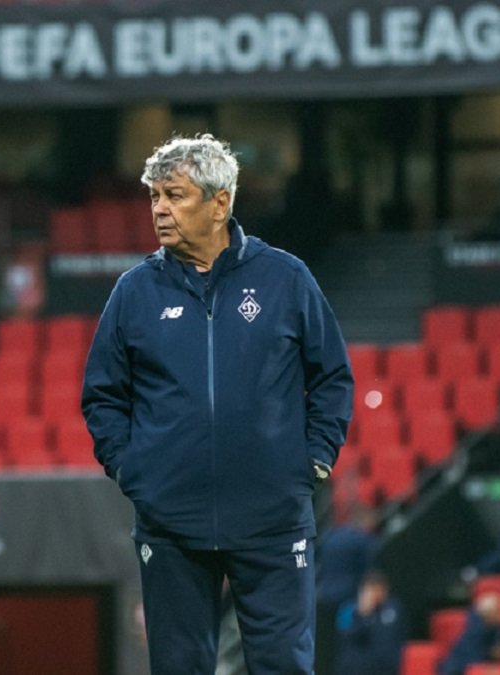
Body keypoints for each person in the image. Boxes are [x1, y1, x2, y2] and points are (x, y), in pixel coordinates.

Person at [81, 133, 354, 674]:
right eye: (155, 196)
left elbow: (332, 377)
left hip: (273, 518)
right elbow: (103, 394)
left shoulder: (285, 279)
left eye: (175, 195)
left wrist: (314, 459)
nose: (160, 209)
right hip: (170, 521)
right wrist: (133, 471)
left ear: (219, 202)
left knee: (284, 666)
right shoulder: (134, 291)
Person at [316, 506, 379, 673]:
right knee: (348, 644)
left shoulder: (330, 537)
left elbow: (321, 568)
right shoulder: (363, 540)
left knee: (329, 645)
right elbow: (369, 572)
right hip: (348, 600)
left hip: (325, 597)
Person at [333, 570, 406, 675]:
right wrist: (363, 615)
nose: (377, 595)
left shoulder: (394, 609)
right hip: (357, 669)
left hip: (387, 669)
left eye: (379, 590)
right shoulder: (348, 610)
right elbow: (345, 638)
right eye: (372, 590)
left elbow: (401, 635)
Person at [437, 592, 500, 675]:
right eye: (497, 611)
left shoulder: (497, 627)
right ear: (486, 614)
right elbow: (473, 660)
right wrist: (492, 654)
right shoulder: (474, 631)